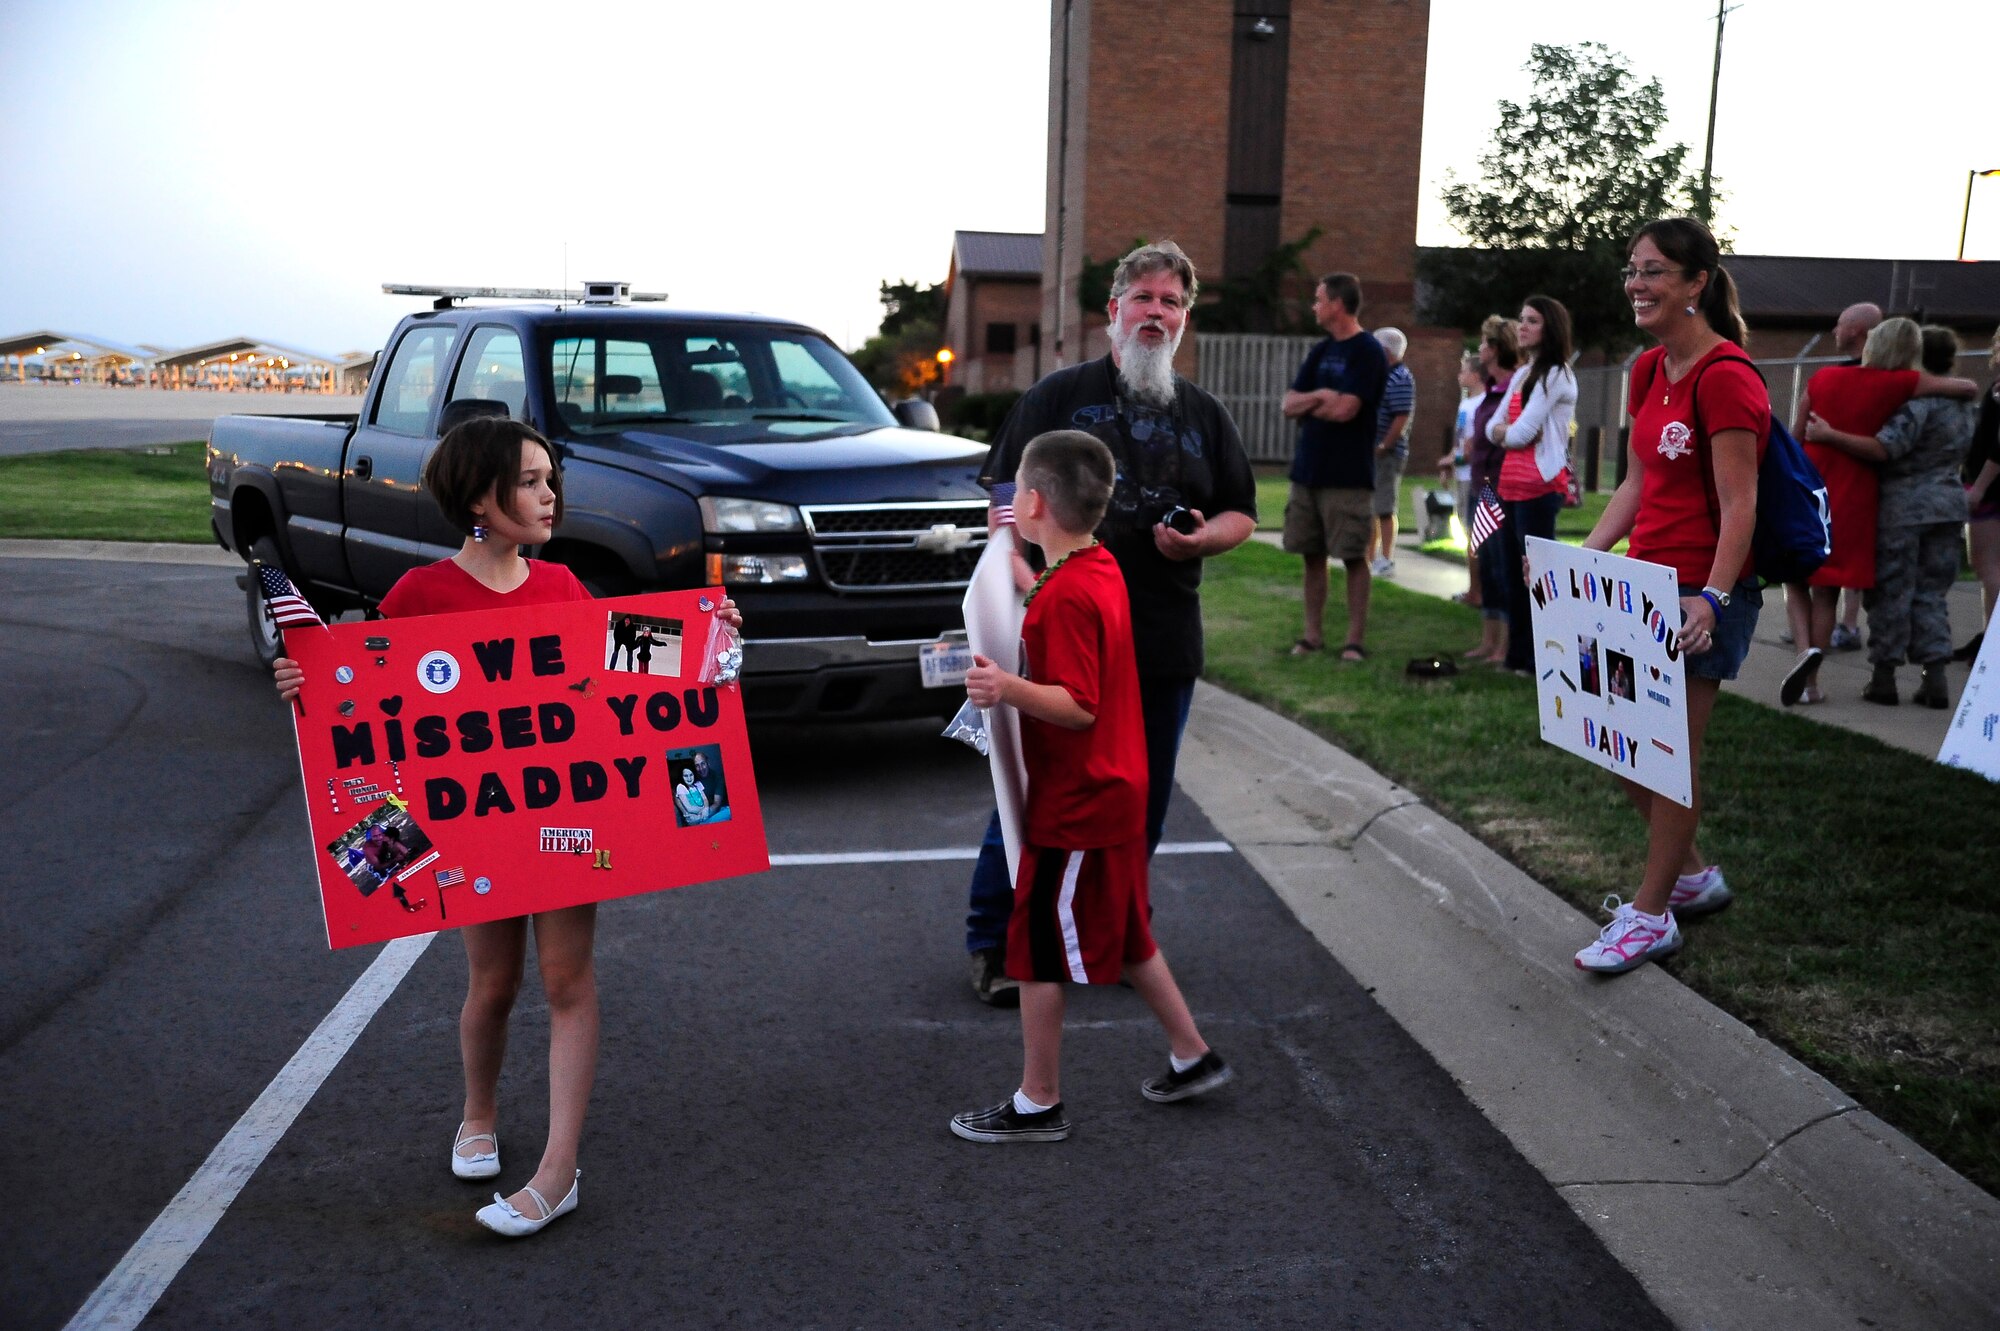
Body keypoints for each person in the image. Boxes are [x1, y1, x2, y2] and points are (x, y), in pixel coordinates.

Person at [272, 415, 741, 1236]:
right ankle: (478, 1113)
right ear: (480, 496)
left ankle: (559, 1171)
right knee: (493, 983)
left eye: (549, 477)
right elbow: (364, 709)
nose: (550, 493)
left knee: (567, 980)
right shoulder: (418, 597)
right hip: (473, 831)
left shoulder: (562, 588)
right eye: (530, 480)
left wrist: (711, 639)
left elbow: (632, 663)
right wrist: (301, 680)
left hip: (565, 822)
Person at [958, 241, 1258, 1007]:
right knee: (1036, 793)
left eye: (1172, 302)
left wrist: (1200, 539)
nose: (1156, 313)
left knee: (1139, 801)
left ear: (1184, 319)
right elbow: (1002, 491)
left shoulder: (1205, 415)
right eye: (1144, 298)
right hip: (1057, 633)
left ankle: (1118, 937)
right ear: (1113, 311)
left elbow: (1241, 514)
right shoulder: (1058, 396)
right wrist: (1020, 564)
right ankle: (998, 943)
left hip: (1159, 637)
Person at [950, 430, 1230, 1143]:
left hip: (1078, 801)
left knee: (1037, 944)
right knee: (1129, 932)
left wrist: (1005, 686)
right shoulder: (1095, 565)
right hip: (1114, 788)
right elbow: (1052, 590)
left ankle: (1037, 1101)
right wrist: (1014, 563)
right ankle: (1191, 1054)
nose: (1010, 498)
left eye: (1016, 489)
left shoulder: (1066, 597)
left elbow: (1078, 705)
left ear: (1035, 500)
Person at [1574, 217, 1765, 974]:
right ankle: (1692, 875)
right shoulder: (1648, 370)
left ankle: (1652, 916)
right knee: (1620, 745)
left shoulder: (1727, 376)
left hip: (1700, 594)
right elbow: (1637, 481)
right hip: (1639, 587)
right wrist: (1581, 561)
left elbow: (1741, 504)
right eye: (1631, 270)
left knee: (1664, 756)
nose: (1638, 284)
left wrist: (1713, 599)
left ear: (1696, 284)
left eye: (1654, 271)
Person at [1780, 319, 1977, 705]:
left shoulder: (1908, 399)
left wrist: (1831, 436)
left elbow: (1886, 447)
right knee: (1933, 594)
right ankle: (1933, 674)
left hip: (1902, 506)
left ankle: (1884, 677)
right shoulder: (1961, 407)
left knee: (1891, 593)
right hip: (1949, 504)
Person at [1281, 272, 1389, 660]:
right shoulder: (1321, 351)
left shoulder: (1368, 352)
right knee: (1311, 553)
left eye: (1318, 299)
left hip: (1348, 474)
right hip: (1309, 470)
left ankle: (1354, 641)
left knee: (1353, 556)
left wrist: (1318, 401)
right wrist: (1322, 395)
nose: (1314, 306)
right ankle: (1312, 635)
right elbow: (1287, 404)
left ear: (1337, 305)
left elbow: (1347, 410)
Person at [1487, 295, 1577, 674]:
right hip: (1510, 485)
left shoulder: (1555, 373)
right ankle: (1518, 657)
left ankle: (1541, 659)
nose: (1522, 326)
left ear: (1550, 328)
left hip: (1540, 488)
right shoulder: (1524, 374)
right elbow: (1494, 428)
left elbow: (1521, 434)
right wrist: (1511, 431)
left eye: (1532, 321)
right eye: (1521, 319)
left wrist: (1511, 432)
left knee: (1533, 578)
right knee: (1510, 575)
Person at [1800, 303, 1883, 653]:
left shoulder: (1826, 380)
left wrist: (1829, 436)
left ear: (1856, 331)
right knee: (1840, 580)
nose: (1835, 331)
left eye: (1839, 324)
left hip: (1828, 496)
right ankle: (1848, 628)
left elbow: (1796, 434)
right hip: (1861, 497)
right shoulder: (1895, 381)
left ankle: (1812, 660)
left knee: (1820, 588)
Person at [1465, 316, 1520, 663]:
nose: (1480, 349)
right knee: (1486, 564)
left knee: (1502, 567)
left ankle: (1506, 646)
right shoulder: (1490, 390)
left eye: (1485, 344)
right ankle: (1488, 641)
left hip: (1500, 487)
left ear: (1497, 348)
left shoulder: (1514, 387)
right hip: (1480, 485)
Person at [1960, 325, 2000, 662]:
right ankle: (1989, 634)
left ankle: (1993, 641)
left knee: (1988, 567)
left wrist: (1981, 488)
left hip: (1990, 489)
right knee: (1987, 567)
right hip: (1985, 484)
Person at [1367, 327, 1416, 577]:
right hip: (1373, 452)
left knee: (1384, 507)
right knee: (1371, 507)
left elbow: (1401, 416)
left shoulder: (1400, 377)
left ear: (1385, 351)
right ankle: (1370, 557)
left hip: (1386, 454)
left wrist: (1384, 444)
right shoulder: (1382, 375)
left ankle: (1386, 558)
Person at [1443, 352, 1485, 605]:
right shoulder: (1466, 403)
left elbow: (1475, 445)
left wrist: (1454, 460)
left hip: (1474, 477)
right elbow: (1460, 441)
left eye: (1464, 370)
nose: (1459, 374)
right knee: (1467, 531)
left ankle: (1477, 592)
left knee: (1475, 535)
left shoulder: (1481, 404)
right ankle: (1474, 588)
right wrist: (1450, 461)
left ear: (1476, 375)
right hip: (1462, 475)